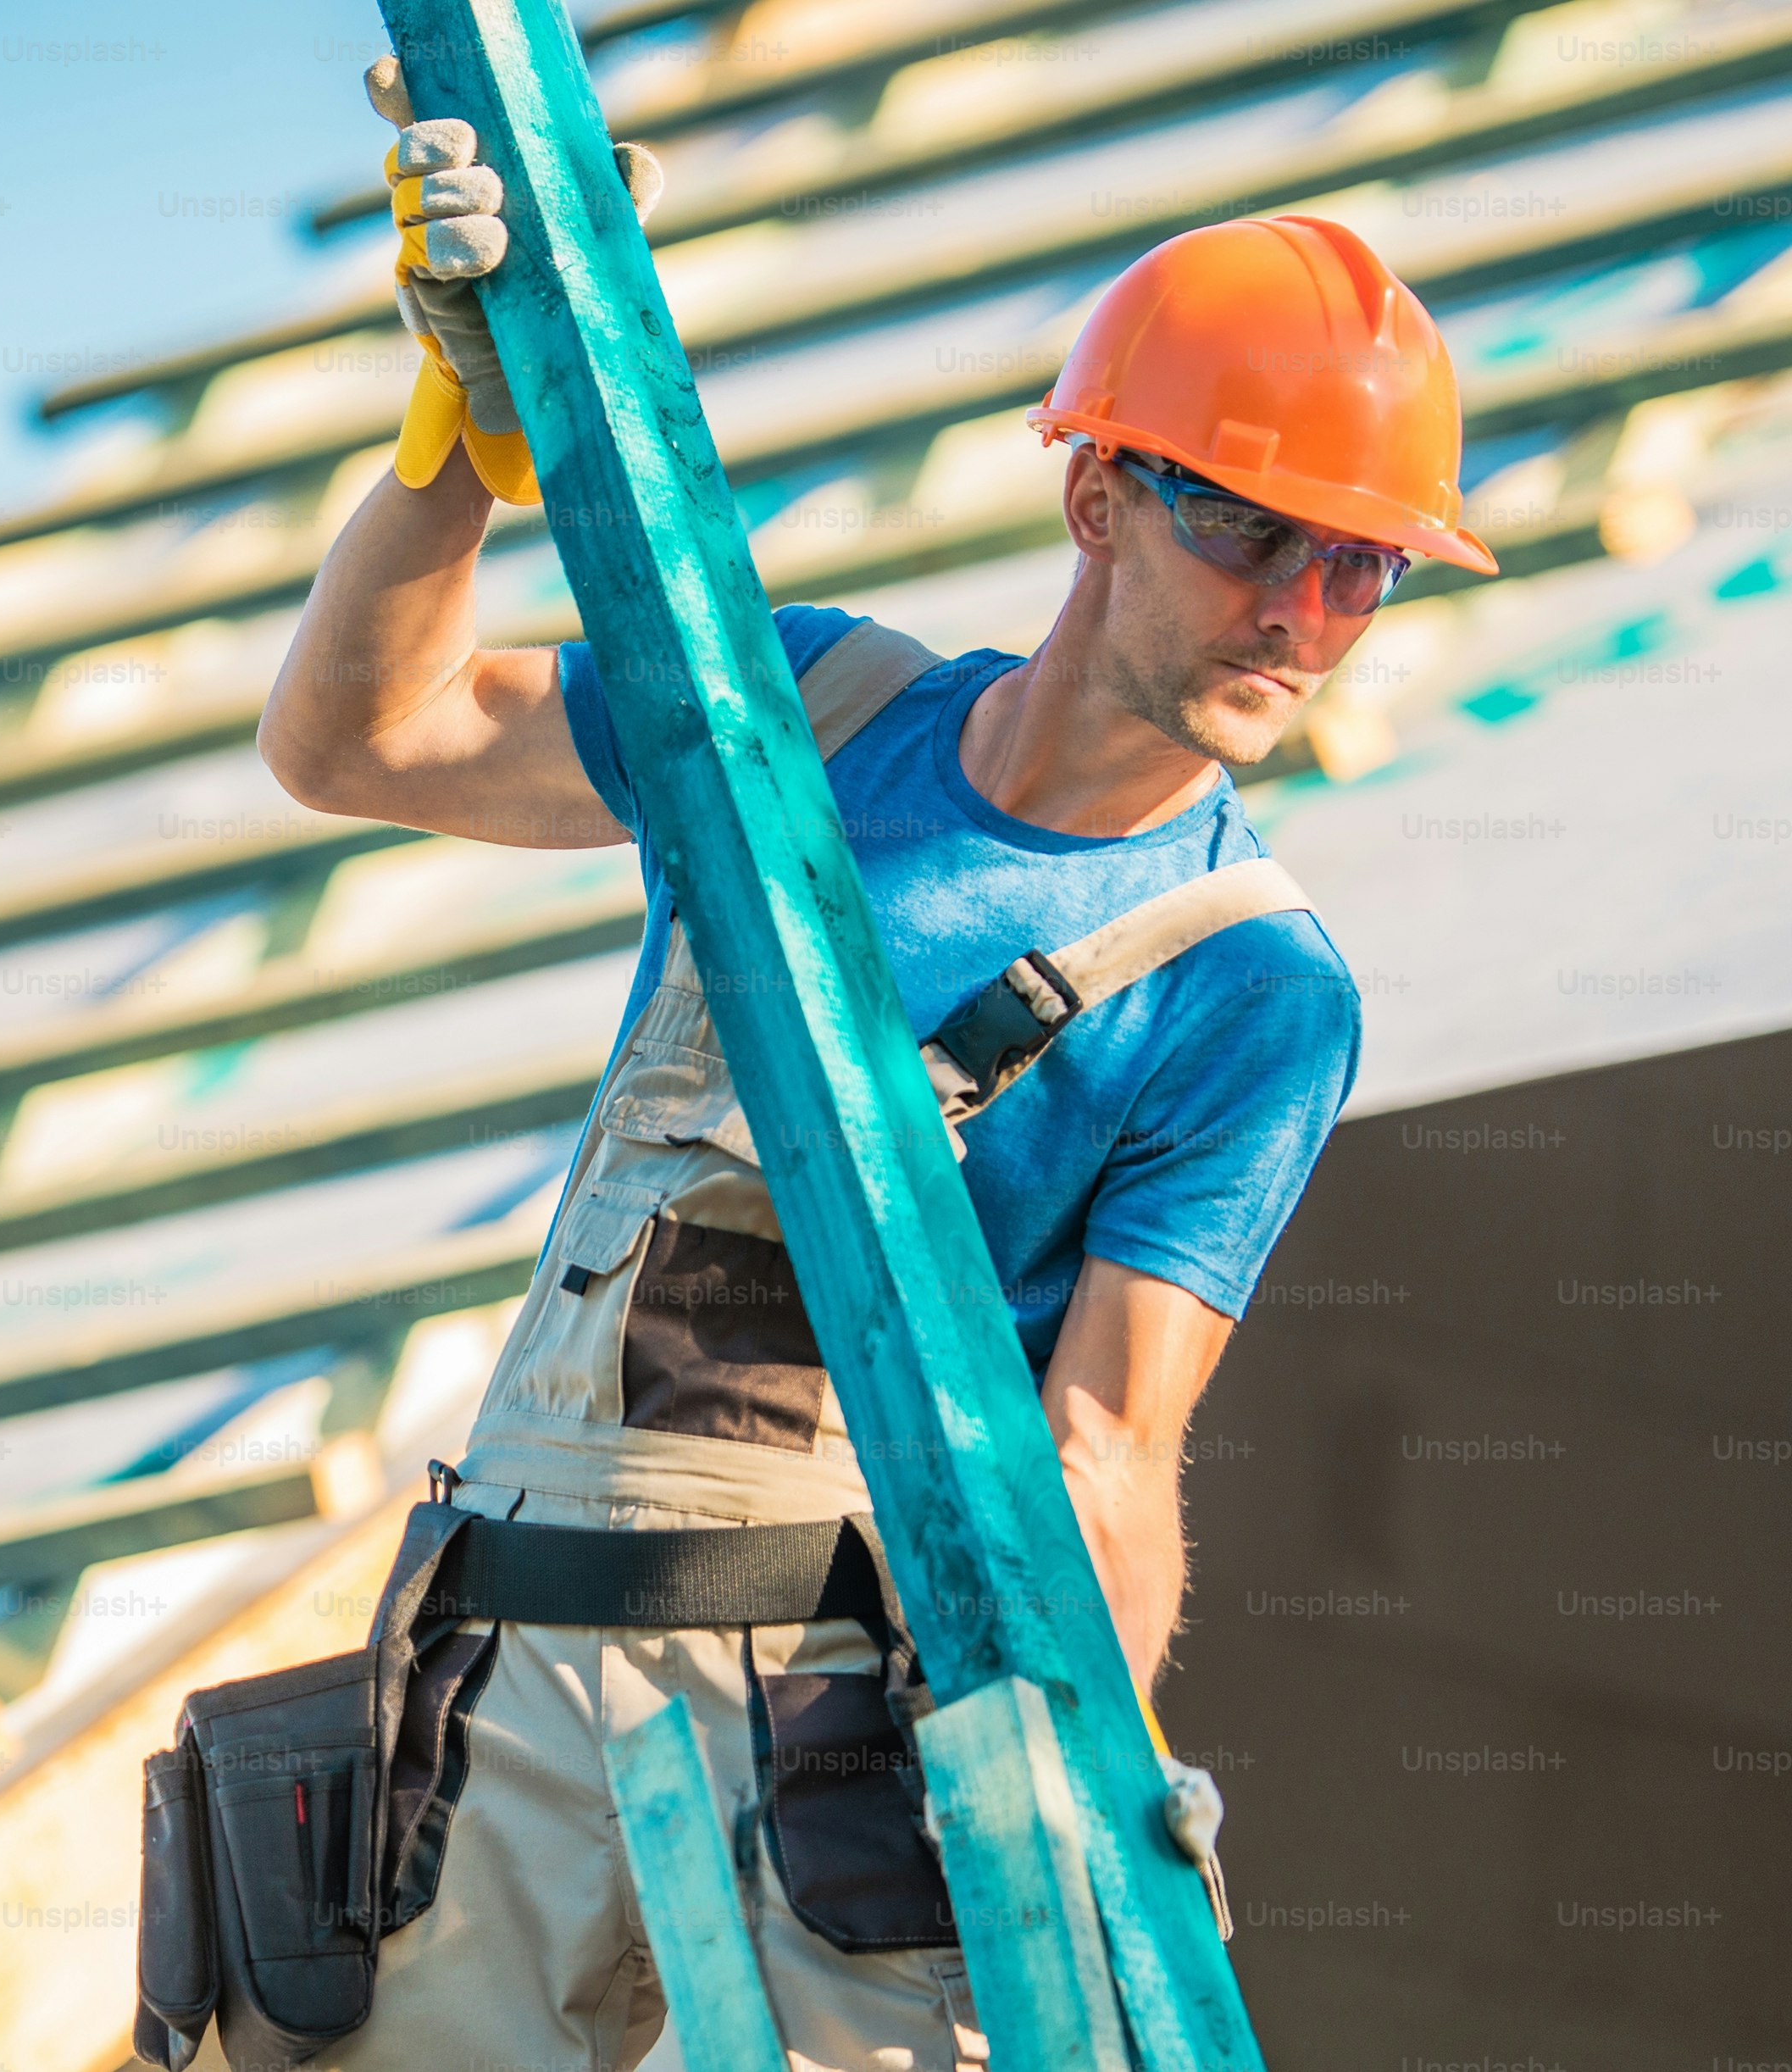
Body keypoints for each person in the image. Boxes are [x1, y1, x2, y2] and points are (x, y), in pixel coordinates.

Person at [252, 58, 1496, 2071]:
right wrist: (453, 451)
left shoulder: (1249, 985)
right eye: (1259, 533)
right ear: (1098, 495)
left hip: (835, 1737)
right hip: (506, 1672)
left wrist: (1100, 1785)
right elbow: (352, 745)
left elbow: (1105, 1443)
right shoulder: (807, 712)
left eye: (1364, 567)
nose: (1305, 610)